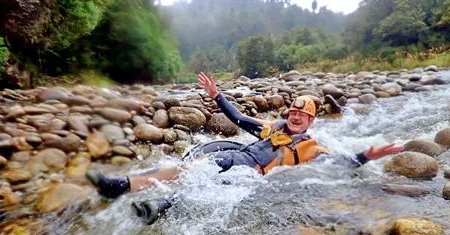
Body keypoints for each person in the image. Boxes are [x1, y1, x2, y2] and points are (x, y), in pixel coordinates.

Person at [86, 72, 403, 224]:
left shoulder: (310, 148)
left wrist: (367, 156)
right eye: (292, 113)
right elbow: (237, 118)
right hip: (238, 156)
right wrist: (215, 95)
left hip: (251, 175)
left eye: (301, 116)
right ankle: (121, 187)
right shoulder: (271, 128)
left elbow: (341, 165)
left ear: (309, 123)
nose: (295, 117)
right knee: (189, 170)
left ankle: (158, 208)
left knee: (203, 180)